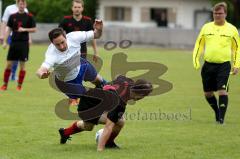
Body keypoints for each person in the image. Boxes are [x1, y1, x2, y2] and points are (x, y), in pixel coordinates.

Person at [57, 75, 153, 152]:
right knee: (117, 122)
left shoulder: (128, 82)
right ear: (139, 94)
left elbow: (120, 77)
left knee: (90, 126)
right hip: (89, 106)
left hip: (95, 100)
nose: (143, 98)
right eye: (144, 95)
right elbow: (108, 126)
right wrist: (100, 149)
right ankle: (107, 143)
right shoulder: (120, 102)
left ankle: (65, 132)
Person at [36, 21, 106, 105]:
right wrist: (42, 74)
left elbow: (96, 35)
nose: (61, 46)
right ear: (52, 43)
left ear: (66, 37)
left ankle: (115, 97)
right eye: (57, 45)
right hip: (68, 82)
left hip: (81, 65)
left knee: (101, 82)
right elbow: (40, 70)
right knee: (89, 100)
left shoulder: (74, 37)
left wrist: (99, 30)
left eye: (62, 42)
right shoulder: (51, 54)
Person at [192, 2, 240, 124]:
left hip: (224, 66)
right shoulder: (206, 27)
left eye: (220, 13)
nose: (217, 15)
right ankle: (217, 112)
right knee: (208, 93)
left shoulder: (232, 29)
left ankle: (221, 120)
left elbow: (236, 48)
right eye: (215, 13)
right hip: (208, 65)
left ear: (225, 14)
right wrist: (196, 59)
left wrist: (236, 64)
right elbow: (199, 44)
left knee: (222, 91)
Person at [0, 0, 36, 91]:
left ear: (25, 5)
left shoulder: (29, 17)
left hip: (24, 43)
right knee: (8, 64)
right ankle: (5, 85)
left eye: (23, 3)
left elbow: (34, 29)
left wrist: (24, 29)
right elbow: (8, 29)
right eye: (20, 3)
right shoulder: (12, 16)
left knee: (22, 66)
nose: (21, 5)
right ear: (17, 4)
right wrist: (5, 41)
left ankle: (19, 85)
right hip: (14, 43)